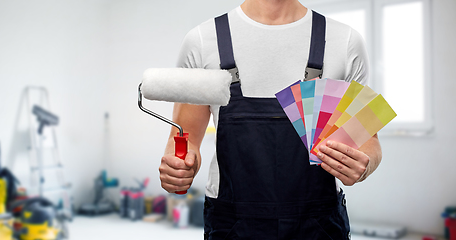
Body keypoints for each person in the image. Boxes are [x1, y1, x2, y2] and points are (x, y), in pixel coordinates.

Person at [159, 0, 382, 239]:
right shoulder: (202, 41)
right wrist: (178, 167)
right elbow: (184, 137)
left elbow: (369, 142)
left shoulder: (345, 41)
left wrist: (365, 165)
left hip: (319, 225)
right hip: (232, 224)